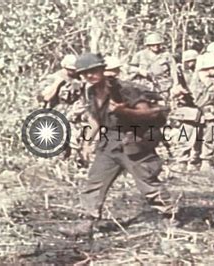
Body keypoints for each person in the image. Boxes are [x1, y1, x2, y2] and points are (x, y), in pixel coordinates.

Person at [59, 53, 178, 236]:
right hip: (109, 142)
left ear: (101, 69)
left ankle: (169, 218)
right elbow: (95, 120)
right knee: (95, 181)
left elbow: (149, 114)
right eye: (85, 73)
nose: (90, 75)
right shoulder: (90, 91)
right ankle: (87, 222)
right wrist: (86, 143)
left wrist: (125, 110)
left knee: (148, 182)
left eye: (93, 70)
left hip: (134, 139)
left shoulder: (125, 89)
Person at [36, 54, 87, 165]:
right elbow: (45, 97)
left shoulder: (79, 79)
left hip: (73, 115)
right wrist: (57, 83)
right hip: (56, 113)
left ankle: (71, 164)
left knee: (74, 143)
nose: (74, 72)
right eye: (71, 69)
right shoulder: (54, 78)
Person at [190, 53, 214, 171]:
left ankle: (206, 161)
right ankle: (192, 161)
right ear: (207, 67)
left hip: (210, 113)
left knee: (210, 136)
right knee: (193, 137)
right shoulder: (192, 79)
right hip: (193, 113)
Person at [128, 32, 178, 104]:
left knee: (162, 106)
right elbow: (130, 68)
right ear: (148, 45)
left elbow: (174, 71)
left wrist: (175, 85)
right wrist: (140, 71)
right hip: (144, 86)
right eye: (153, 45)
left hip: (163, 86)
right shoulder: (140, 55)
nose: (156, 46)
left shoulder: (166, 55)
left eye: (158, 44)